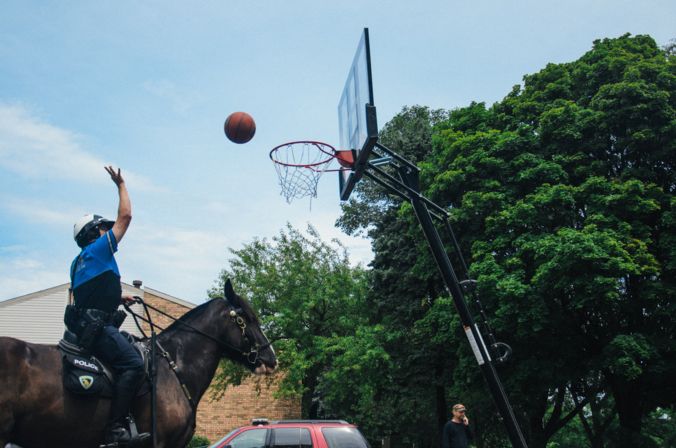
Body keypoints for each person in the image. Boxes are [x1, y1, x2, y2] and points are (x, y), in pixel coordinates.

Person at [70, 166, 150, 446]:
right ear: (96, 233)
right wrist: (121, 184)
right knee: (133, 363)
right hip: (100, 328)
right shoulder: (100, 248)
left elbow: (87, 294)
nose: (108, 231)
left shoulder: (77, 263)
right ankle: (116, 428)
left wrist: (119, 297)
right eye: (103, 228)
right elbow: (125, 217)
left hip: (83, 328)